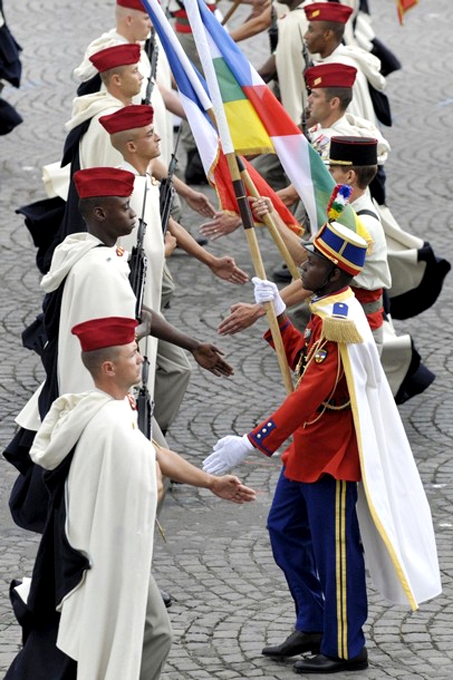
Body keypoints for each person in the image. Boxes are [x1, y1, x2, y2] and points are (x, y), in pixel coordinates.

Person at [204, 221, 441, 673]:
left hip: (333, 458)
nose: (302, 266)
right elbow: (301, 361)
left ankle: (346, 647)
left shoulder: (339, 322)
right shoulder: (325, 310)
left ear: (333, 274)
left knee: (336, 554)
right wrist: (277, 314)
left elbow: (311, 390)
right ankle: (314, 622)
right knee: (284, 530)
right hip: (309, 451)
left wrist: (253, 442)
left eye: (311, 263)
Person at [4, 315, 256, 680]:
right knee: (141, 636)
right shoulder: (111, 427)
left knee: (93, 640)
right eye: (132, 353)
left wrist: (210, 482)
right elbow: (150, 488)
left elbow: (153, 450)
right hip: (103, 558)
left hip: (92, 551)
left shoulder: (104, 405)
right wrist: (155, 481)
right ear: (109, 367)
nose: (141, 359)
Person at [4, 167, 233, 534]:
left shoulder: (95, 255)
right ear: (99, 214)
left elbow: (137, 315)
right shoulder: (98, 269)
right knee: (141, 487)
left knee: (143, 482)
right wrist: (134, 335)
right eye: (125, 208)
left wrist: (193, 346)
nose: (133, 214)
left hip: (106, 396)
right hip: (102, 403)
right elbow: (115, 336)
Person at [98, 104, 248, 435]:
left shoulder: (146, 182)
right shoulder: (126, 193)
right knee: (155, 375)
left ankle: (150, 440)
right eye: (151, 135)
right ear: (133, 146)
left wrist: (210, 262)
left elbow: (167, 223)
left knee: (175, 371)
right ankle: (145, 444)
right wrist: (162, 252)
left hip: (149, 306)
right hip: (132, 308)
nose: (160, 137)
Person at [303, 2, 388, 127]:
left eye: (311, 30)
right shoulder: (346, 61)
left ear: (327, 34)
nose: (306, 36)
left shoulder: (337, 71)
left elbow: (336, 118)